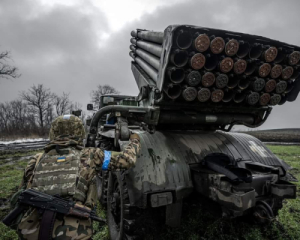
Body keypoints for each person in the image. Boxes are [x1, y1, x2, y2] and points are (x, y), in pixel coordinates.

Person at [16, 114, 140, 240]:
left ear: (52, 133)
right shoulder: (91, 155)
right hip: (75, 233)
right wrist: (135, 140)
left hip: (31, 233)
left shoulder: (35, 160)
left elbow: (20, 197)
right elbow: (127, 159)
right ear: (80, 132)